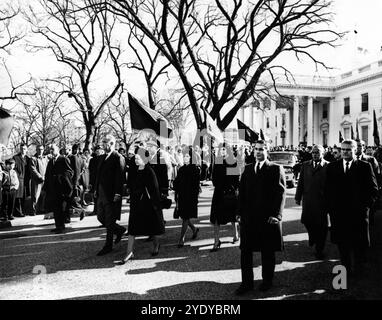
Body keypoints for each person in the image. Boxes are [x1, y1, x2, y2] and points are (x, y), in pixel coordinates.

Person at [236, 140, 286, 294]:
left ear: (267, 151)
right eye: (256, 149)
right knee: (245, 251)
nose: (258, 152)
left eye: (261, 149)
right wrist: (239, 213)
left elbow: (280, 193)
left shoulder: (275, 169)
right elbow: (242, 193)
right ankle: (246, 283)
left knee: (267, 251)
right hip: (249, 218)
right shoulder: (248, 169)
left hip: (267, 218)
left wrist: (277, 215)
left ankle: (267, 281)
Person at [325, 139, 378, 277]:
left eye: (348, 149)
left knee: (359, 247)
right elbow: (327, 191)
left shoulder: (365, 166)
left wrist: (365, 208)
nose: (345, 152)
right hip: (340, 216)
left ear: (355, 150)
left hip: (358, 216)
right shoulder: (332, 167)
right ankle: (345, 274)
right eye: (343, 149)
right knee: (343, 248)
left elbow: (373, 190)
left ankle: (359, 273)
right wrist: (331, 209)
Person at [115, 147, 164, 264]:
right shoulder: (136, 171)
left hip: (148, 203)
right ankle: (129, 252)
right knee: (132, 227)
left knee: (152, 225)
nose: (135, 160)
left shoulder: (149, 171)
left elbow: (154, 190)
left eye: (138, 158)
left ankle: (156, 245)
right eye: (135, 158)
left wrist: (156, 205)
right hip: (136, 203)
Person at [295, 145, 329, 259]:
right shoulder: (305, 165)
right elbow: (301, 182)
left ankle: (319, 250)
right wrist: (297, 197)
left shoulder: (328, 166)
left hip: (322, 201)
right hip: (308, 200)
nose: (315, 154)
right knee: (307, 221)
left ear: (322, 153)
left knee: (322, 227)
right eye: (313, 152)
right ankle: (313, 236)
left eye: (317, 152)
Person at [94, 135, 127, 256]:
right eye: (102, 142)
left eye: (105, 143)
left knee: (109, 219)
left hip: (112, 195)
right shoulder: (102, 157)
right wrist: (96, 189)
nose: (102, 145)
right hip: (101, 193)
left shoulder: (118, 157)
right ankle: (119, 230)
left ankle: (108, 245)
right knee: (100, 217)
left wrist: (118, 193)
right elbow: (99, 175)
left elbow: (120, 177)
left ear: (112, 143)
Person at [210, 144, 240, 251]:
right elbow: (213, 177)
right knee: (216, 218)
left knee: (232, 217)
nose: (221, 151)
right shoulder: (217, 161)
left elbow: (235, 179)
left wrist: (228, 186)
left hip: (229, 193)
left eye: (223, 149)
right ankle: (216, 241)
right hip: (218, 193)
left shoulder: (233, 161)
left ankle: (236, 234)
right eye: (220, 149)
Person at [173, 148, 200, 247]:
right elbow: (177, 182)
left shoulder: (195, 169)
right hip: (182, 196)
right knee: (185, 216)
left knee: (185, 217)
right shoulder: (181, 169)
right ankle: (194, 229)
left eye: (187, 156)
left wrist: (195, 197)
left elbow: (196, 186)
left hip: (190, 197)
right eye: (184, 156)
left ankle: (181, 239)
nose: (185, 158)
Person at [44, 144, 74, 234]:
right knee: (56, 208)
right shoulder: (50, 161)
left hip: (61, 188)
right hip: (53, 189)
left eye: (52, 149)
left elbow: (70, 172)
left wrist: (59, 177)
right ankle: (58, 225)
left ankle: (61, 226)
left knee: (61, 208)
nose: (51, 151)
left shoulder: (63, 159)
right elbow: (47, 175)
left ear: (57, 150)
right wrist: (46, 186)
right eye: (50, 149)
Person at [68, 144, 85, 220]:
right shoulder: (81, 158)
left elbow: (76, 171)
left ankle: (81, 210)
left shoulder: (73, 158)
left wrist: (74, 184)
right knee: (72, 199)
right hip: (77, 182)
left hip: (72, 182)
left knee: (72, 200)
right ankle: (67, 218)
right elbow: (81, 170)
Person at [30, 145, 48, 216]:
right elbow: (33, 169)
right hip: (36, 181)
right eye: (39, 149)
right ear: (36, 150)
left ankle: (41, 209)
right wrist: (40, 177)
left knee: (43, 195)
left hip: (44, 180)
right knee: (35, 196)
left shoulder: (45, 158)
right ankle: (33, 211)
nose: (40, 151)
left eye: (42, 149)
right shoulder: (33, 159)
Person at [13, 143, 31, 217]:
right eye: (21, 149)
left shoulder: (28, 159)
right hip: (19, 179)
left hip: (26, 180)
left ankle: (23, 211)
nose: (23, 150)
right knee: (18, 197)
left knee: (24, 196)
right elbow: (14, 169)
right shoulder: (15, 158)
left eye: (24, 149)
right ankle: (17, 212)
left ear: (26, 150)